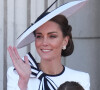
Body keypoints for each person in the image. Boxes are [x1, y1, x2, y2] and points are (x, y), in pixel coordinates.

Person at [7, 0, 90, 90]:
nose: (44, 43)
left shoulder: (81, 78)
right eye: (39, 36)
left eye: (52, 36)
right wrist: (23, 83)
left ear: (65, 41)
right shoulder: (16, 74)